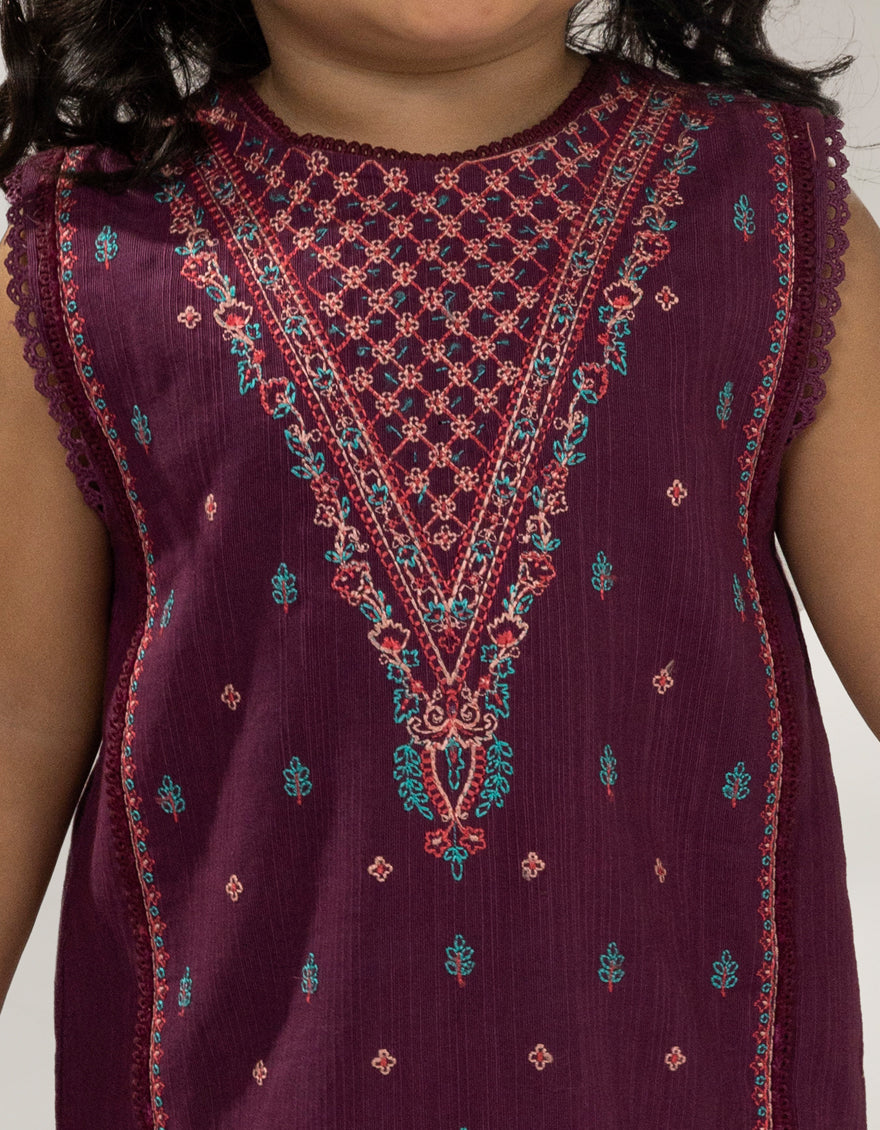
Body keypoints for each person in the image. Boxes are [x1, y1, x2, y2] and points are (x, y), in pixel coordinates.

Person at [0, 1, 876, 1126]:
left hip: (681, 1077)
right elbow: (19, 720)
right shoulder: (86, 251)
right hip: (233, 1084)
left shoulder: (768, 207)